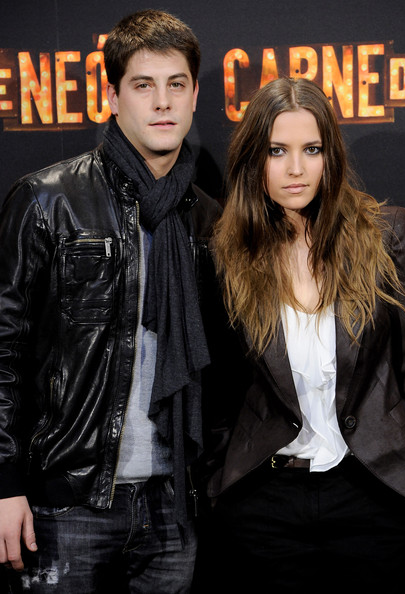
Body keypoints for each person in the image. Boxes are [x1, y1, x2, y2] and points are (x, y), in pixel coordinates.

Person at [0, 9, 221, 593]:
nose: (162, 102)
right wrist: (4, 484)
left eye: (176, 84)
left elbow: (223, 369)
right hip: (67, 503)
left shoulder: (208, 220)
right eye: (143, 85)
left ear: (195, 96)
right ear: (112, 95)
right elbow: (4, 352)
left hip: (173, 505)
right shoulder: (46, 200)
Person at [201, 77, 405, 593]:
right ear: (253, 159)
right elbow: (219, 387)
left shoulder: (388, 235)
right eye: (277, 151)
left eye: (312, 149)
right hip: (267, 502)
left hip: (375, 491)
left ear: (331, 156)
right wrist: (218, 479)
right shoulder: (228, 253)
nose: (296, 169)